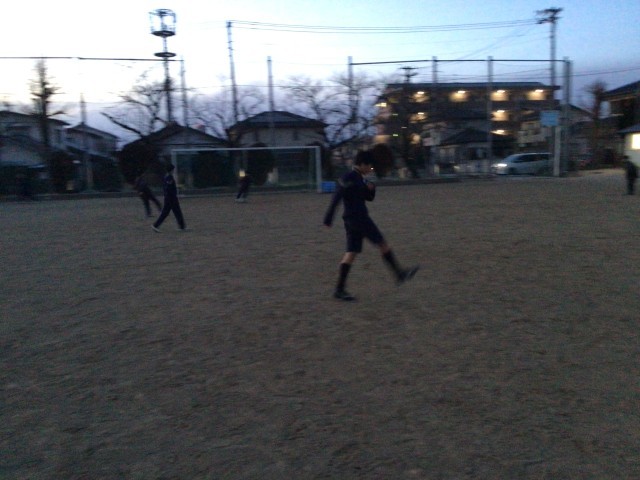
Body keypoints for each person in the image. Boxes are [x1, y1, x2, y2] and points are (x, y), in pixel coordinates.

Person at [323, 150, 419, 301]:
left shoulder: (359, 179)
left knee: (351, 252)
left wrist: (371, 189)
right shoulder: (349, 178)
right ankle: (399, 273)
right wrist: (328, 218)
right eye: (369, 166)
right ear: (362, 164)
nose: (370, 169)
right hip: (360, 218)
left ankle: (339, 290)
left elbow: (368, 198)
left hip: (351, 220)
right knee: (382, 243)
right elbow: (337, 197)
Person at [152, 164, 186, 232]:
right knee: (174, 212)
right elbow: (169, 188)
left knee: (174, 212)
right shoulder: (169, 177)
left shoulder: (167, 177)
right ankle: (155, 225)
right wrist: (174, 196)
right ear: (171, 170)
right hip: (171, 198)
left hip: (169, 198)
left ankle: (182, 226)